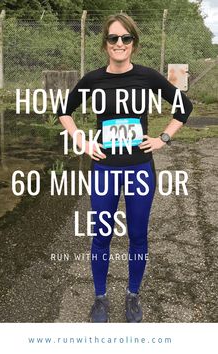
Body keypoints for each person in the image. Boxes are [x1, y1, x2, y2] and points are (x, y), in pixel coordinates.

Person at [57, 13, 193, 323]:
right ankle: (100, 298)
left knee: (138, 235)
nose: (119, 44)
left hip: (139, 168)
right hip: (105, 168)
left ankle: (133, 295)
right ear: (105, 44)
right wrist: (82, 140)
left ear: (133, 43)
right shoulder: (93, 79)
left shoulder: (147, 76)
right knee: (101, 235)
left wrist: (163, 138)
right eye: (113, 38)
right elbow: (64, 110)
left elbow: (184, 106)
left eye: (125, 38)